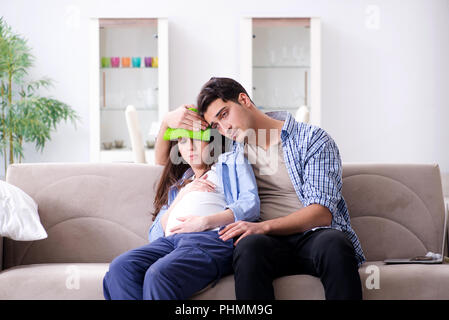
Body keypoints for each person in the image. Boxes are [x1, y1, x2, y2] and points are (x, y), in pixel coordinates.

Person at [155, 77, 366, 300]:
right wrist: (166, 122)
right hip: (264, 243)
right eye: (216, 125)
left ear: (244, 100)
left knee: (334, 243)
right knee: (248, 247)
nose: (224, 128)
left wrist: (263, 227)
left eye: (224, 114)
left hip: (312, 236)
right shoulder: (229, 149)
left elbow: (321, 213)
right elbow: (164, 163)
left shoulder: (312, 139)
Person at [103, 116, 260, 300]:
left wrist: (203, 222)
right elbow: (155, 234)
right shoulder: (181, 183)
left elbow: (251, 205)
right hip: (170, 243)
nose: (190, 147)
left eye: (197, 138)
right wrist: (183, 194)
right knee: (120, 268)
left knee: (159, 274)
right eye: (183, 141)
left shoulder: (230, 162)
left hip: (210, 239)